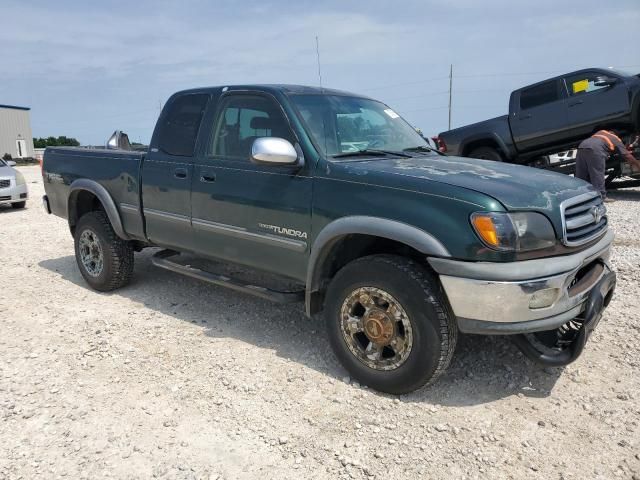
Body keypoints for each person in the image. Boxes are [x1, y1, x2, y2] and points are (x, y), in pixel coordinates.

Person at [575, 129, 640, 202]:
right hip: (596, 150)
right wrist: (637, 165)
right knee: (597, 173)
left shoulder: (601, 132)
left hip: (582, 146)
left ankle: (579, 195)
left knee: (581, 173)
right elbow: (627, 156)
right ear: (616, 134)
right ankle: (601, 196)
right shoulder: (615, 139)